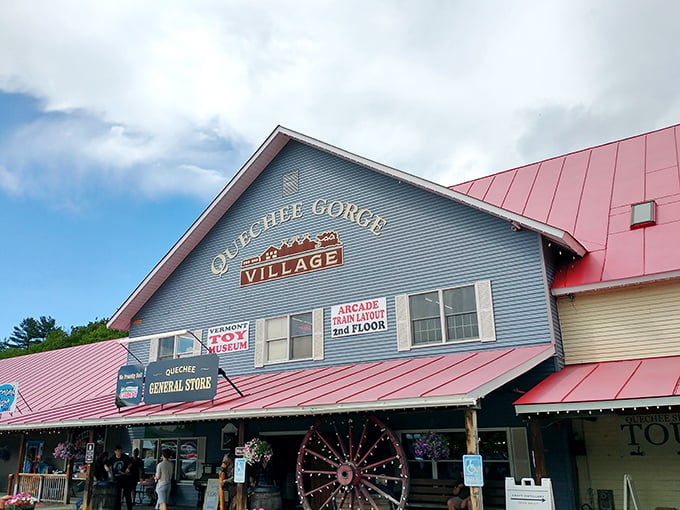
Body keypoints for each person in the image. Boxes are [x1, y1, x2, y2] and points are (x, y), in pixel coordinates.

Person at [105, 445, 133, 510]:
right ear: (115, 451)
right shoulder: (112, 458)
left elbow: (130, 463)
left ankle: (129, 508)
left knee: (127, 494)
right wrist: (107, 468)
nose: (119, 452)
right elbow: (106, 465)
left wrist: (128, 468)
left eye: (120, 451)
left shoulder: (125, 457)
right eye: (117, 451)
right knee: (117, 495)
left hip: (125, 478)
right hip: (116, 479)